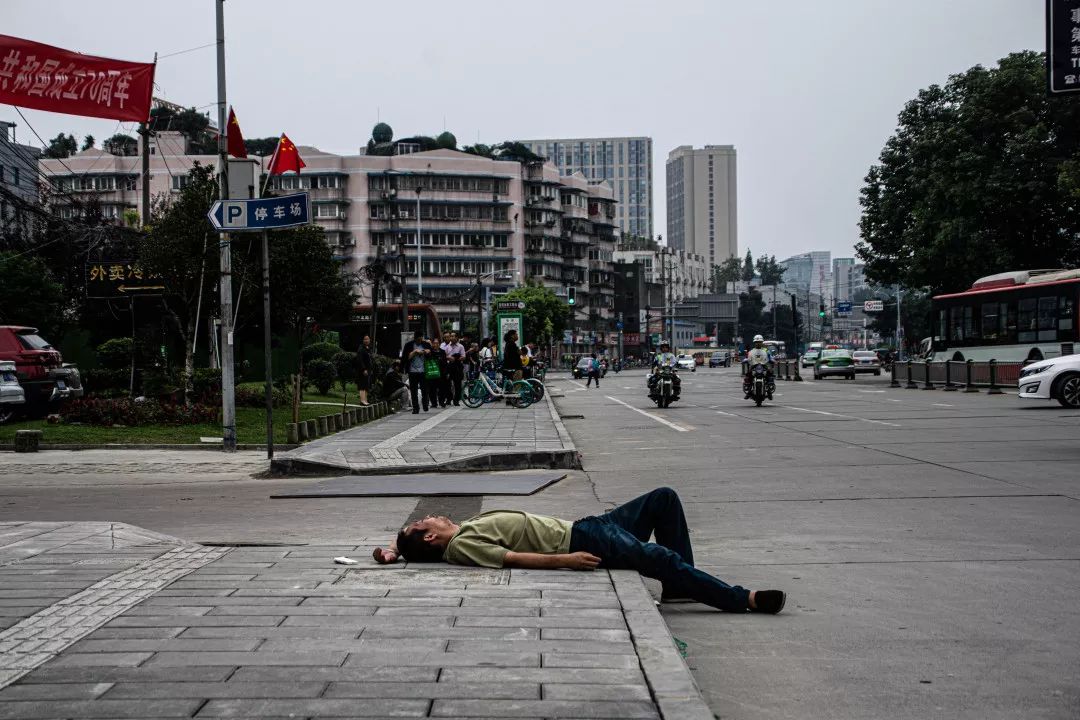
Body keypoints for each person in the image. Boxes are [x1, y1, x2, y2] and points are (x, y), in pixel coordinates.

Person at [372, 487, 786, 615]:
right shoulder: (462, 546)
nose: (432, 515)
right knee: (659, 559)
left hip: (590, 526)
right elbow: (513, 559)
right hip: (583, 542)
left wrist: (393, 550)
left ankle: (680, 586)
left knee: (663, 499)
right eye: (424, 521)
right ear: (429, 537)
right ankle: (740, 598)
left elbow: (408, 540)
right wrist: (565, 562)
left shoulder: (453, 532)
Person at [400, 330, 433, 414]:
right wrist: (414, 352)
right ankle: (415, 408)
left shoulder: (426, 344)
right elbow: (405, 358)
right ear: (415, 338)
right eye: (418, 339)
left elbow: (431, 356)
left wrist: (427, 352)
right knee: (413, 390)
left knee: (424, 389)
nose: (419, 340)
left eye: (421, 338)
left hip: (423, 370)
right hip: (412, 371)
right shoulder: (409, 345)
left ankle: (425, 405)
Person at [743, 334, 775, 399]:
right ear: (754, 343)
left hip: (763, 365)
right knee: (748, 374)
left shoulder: (766, 350)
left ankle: (769, 390)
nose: (758, 344)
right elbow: (748, 357)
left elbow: (770, 357)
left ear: (762, 343)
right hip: (754, 365)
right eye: (757, 342)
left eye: (759, 342)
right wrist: (745, 360)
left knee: (770, 373)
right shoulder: (751, 351)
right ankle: (749, 391)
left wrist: (772, 360)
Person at [441, 332, 466, 406]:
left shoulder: (461, 346)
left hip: (457, 367)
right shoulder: (447, 346)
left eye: (453, 336)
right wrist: (448, 357)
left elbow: (463, 357)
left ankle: (456, 400)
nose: (451, 338)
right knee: (447, 383)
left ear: (457, 338)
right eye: (451, 336)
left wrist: (456, 358)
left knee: (457, 384)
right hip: (449, 367)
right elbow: (444, 356)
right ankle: (449, 398)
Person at [356, 334, 373, 406]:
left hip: (368, 369)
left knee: (366, 385)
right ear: (363, 340)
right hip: (363, 370)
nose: (366, 340)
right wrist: (364, 369)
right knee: (362, 385)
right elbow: (360, 360)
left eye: (367, 339)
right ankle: (362, 400)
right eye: (365, 339)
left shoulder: (368, 348)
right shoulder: (361, 348)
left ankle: (365, 400)